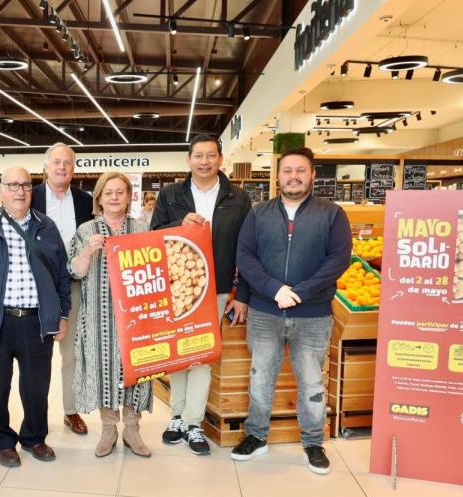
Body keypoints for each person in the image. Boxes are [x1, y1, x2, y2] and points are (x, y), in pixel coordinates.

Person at [231, 147, 351, 475]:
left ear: (312, 174)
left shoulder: (332, 214)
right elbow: (245, 256)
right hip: (264, 312)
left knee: (312, 382)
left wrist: (299, 293)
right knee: (260, 377)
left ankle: (313, 442)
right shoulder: (258, 214)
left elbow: (338, 260)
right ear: (278, 176)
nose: (293, 176)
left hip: (313, 314)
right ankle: (256, 436)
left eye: (301, 170)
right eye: (287, 171)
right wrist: (274, 289)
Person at [0, 166, 72, 467]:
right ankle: (1, 441)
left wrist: (62, 313)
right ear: (0, 190)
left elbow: (61, 274)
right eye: (12, 185)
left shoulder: (46, 227)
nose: (19, 191)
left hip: (36, 321)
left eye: (25, 185)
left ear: (31, 190)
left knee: (36, 386)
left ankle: (35, 437)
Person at [150, 134, 251, 456]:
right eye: (198, 156)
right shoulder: (171, 194)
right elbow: (154, 236)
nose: (204, 161)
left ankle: (193, 422)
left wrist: (242, 293)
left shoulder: (238, 197)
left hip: (219, 287)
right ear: (188, 160)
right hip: (178, 286)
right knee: (178, 354)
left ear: (221, 159)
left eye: (211, 155)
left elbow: (248, 248)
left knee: (203, 355)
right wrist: (179, 223)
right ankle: (176, 417)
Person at [69, 172, 152, 458]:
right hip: (98, 318)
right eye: (109, 192)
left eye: (120, 192)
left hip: (136, 318)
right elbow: (75, 271)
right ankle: (108, 429)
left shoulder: (141, 229)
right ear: (99, 198)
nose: (114, 197)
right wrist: (89, 252)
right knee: (103, 370)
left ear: (129, 197)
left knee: (135, 370)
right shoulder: (86, 230)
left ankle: (132, 428)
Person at [30, 143, 94, 436]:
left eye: (67, 163)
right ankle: (35, 415)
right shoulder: (30, 196)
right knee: (36, 354)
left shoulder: (84, 200)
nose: (61, 167)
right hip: (36, 285)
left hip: (74, 284)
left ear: (73, 168)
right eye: (56, 162)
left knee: (71, 353)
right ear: (45, 167)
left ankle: (70, 410)